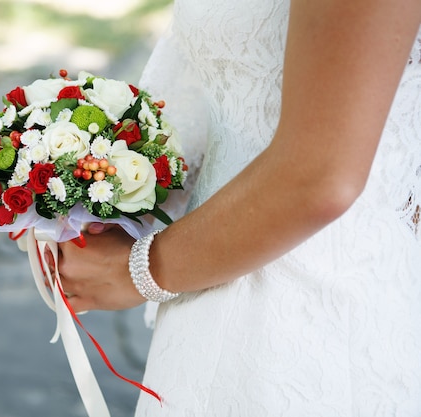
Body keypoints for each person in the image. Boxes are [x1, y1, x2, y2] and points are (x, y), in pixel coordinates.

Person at [56, 0, 421, 415]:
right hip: (210, 276)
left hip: (305, 316)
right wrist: (99, 192)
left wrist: (138, 270)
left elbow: (321, 176)